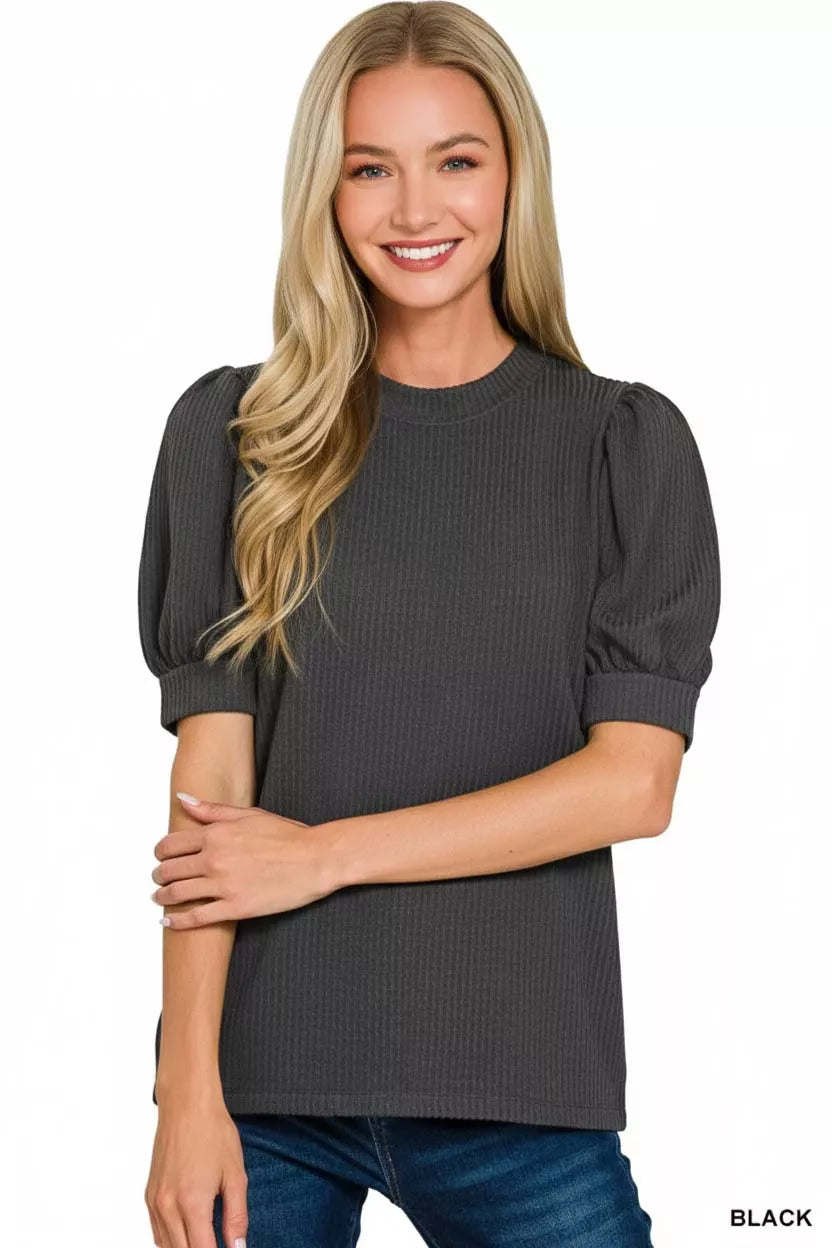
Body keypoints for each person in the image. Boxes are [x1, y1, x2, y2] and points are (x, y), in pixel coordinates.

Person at [138, 3, 721, 1246]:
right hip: (265, 1092)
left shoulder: (620, 446)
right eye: (369, 169)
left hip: (518, 1086)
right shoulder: (237, 437)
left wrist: (325, 854)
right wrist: (185, 1090)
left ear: (513, 175)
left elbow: (632, 786)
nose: (414, 210)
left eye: (455, 160)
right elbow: (210, 798)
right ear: (324, 191)